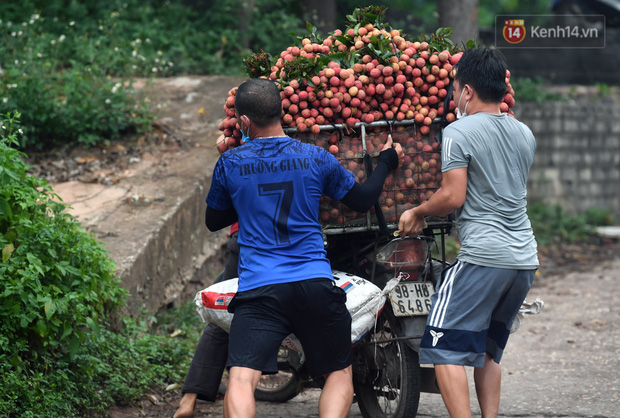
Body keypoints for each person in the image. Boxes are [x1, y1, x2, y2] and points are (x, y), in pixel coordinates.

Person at [204, 77, 403, 418]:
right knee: (339, 375)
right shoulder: (315, 157)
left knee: (240, 378)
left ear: (245, 123)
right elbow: (362, 200)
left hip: (260, 289)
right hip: (313, 284)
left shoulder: (230, 163)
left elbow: (213, 219)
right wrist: (385, 161)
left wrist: (246, 192)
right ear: (282, 112)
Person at [398, 48, 539, 418]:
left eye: (455, 89)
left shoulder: (458, 131)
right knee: (488, 350)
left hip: (483, 257)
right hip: (524, 259)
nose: (453, 97)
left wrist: (418, 211)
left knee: (441, 344)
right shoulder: (524, 132)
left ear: (468, 91)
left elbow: (452, 195)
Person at [173, 223, 239, 418]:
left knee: (224, 315)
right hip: (297, 241)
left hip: (247, 239)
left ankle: (188, 399)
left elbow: (215, 217)